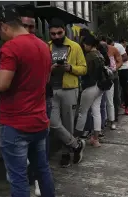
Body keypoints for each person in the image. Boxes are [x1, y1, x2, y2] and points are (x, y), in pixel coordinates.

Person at [0, 9, 55, 197]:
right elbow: (42, 79)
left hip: (16, 125)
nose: (1, 38)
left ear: (3, 26)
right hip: (39, 121)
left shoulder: (10, 48)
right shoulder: (43, 46)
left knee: (18, 178)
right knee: (42, 170)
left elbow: (2, 85)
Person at [16, 8, 53, 196]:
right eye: (25, 26)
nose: (29, 30)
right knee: (25, 153)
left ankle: (37, 181)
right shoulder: (14, 46)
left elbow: (46, 78)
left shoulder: (41, 46)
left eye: (32, 26)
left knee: (39, 151)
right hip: (22, 108)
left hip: (39, 103)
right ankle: (34, 180)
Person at [48, 18, 86, 168]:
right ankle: (76, 145)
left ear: (64, 31)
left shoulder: (75, 47)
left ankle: (66, 153)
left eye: (59, 33)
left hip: (70, 88)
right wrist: (49, 69)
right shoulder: (46, 47)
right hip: (52, 89)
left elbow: (83, 68)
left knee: (68, 123)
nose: (56, 36)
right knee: (53, 123)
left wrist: (71, 68)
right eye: (53, 34)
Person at [75, 34, 106, 147]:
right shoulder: (100, 54)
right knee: (96, 112)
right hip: (100, 87)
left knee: (82, 112)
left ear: (88, 45)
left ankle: (76, 138)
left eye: (84, 45)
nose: (83, 47)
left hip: (90, 86)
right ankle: (95, 139)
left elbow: (85, 72)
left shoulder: (89, 56)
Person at [100, 36, 123, 129]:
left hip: (111, 78)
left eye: (104, 44)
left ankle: (112, 120)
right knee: (102, 102)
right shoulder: (96, 52)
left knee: (111, 100)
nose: (102, 46)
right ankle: (104, 120)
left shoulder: (113, 49)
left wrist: (113, 69)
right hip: (100, 79)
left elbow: (120, 61)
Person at [109, 38, 128, 115]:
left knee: (125, 89)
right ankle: (117, 106)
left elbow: (125, 57)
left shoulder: (118, 46)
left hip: (123, 69)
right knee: (115, 89)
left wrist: (115, 61)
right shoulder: (105, 48)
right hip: (113, 70)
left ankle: (127, 107)